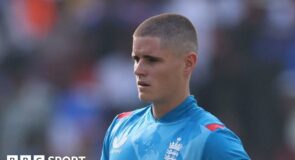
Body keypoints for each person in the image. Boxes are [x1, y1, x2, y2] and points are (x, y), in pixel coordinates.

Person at [100, 13, 250, 160]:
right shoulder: (120, 127)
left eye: (151, 60)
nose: (138, 70)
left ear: (188, 63)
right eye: (136, 59)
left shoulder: (212, 139)